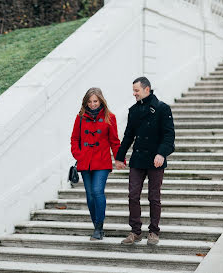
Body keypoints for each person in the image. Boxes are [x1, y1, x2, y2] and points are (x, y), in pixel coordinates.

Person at [115, 76, 175, 246]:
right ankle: (135, 231)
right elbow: (128, 136)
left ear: (146, 89)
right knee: (133, 195)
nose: (134, 93)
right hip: (138, 159)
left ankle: (154, 231)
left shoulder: (163, 108)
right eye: (133, 90)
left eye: (136, 90)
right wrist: (120, 156)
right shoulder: (133, 110)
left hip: (156, 160)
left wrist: (161, 153)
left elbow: (169, 135)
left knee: (154, 197)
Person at [70, 87, 122, 240]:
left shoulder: (109, 117)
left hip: (102, 162)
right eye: (90, 101)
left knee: (97, 191)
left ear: (101, 101)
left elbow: (114, 141)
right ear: (85, 102)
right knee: (90, 196)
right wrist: (78, 154)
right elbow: (74, 139)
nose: (92, 104)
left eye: (95, 101)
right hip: (85, 162)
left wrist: (119, 158)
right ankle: (97, 227)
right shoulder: (80, 118)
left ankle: (98, 228)